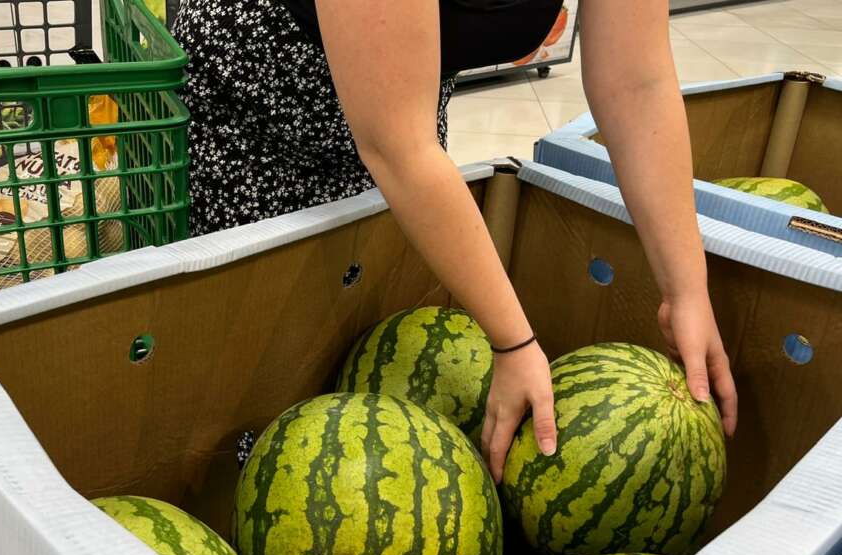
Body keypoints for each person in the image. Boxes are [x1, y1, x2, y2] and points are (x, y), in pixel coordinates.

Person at [173, 0, 739, 480]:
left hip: (404, 116)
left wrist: (686, 288)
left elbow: (636, 80)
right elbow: (397, 145)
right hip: (254, 114)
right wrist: (515, 344)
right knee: (251, 406)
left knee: (358, 357)